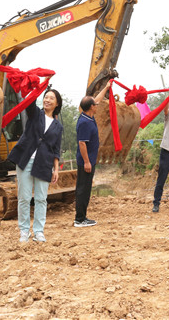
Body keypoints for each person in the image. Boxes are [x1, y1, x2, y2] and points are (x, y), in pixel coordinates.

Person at [7, 88, 63, 243]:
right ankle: (24, 231)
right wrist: (41, 85)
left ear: (57, 103)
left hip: (44, 164)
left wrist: (56, 169)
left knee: (41, 199)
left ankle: (39, 231)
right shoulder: (35, 114)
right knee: (24, 198)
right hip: (26, 160)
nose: (47, 100)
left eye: (51, 98)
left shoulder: (58, 127)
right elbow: (30, 100)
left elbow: (56, 150)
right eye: (46, 97)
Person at [73, 81, 112, 227]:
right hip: (86, 162)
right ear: (91, 108)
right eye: (95, 105)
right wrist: (87, 162)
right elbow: (82, 143)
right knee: (83, 189)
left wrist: (106, 87)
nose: (97, 105)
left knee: (86, 188)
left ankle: (82, 217)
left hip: (89, 160)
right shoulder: (84, 122)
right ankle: (80, 219)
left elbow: (97, 99)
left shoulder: (88, 115)